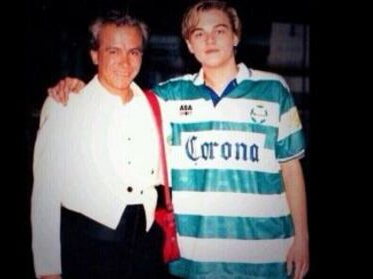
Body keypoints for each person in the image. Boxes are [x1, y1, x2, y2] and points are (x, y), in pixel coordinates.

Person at [48, 1, 310, 278]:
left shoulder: (273, 89)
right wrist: (76, 87)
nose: (209, 40)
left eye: (219, 30)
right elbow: (118, 91)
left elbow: (291, 169)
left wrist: (302, 240)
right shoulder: (169, 96)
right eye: (199, 33)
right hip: (195, 258)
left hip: (265, 252)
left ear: (236, 36)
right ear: (188, 44)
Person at [31, 11, 170, 279]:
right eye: (114, 51)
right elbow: (45, 194)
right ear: (95, 55)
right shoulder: (66, 104)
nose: (125, 62)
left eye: (134, 52)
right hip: (88, 247)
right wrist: (49, 269)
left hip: (144, 249)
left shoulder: (156, 107)